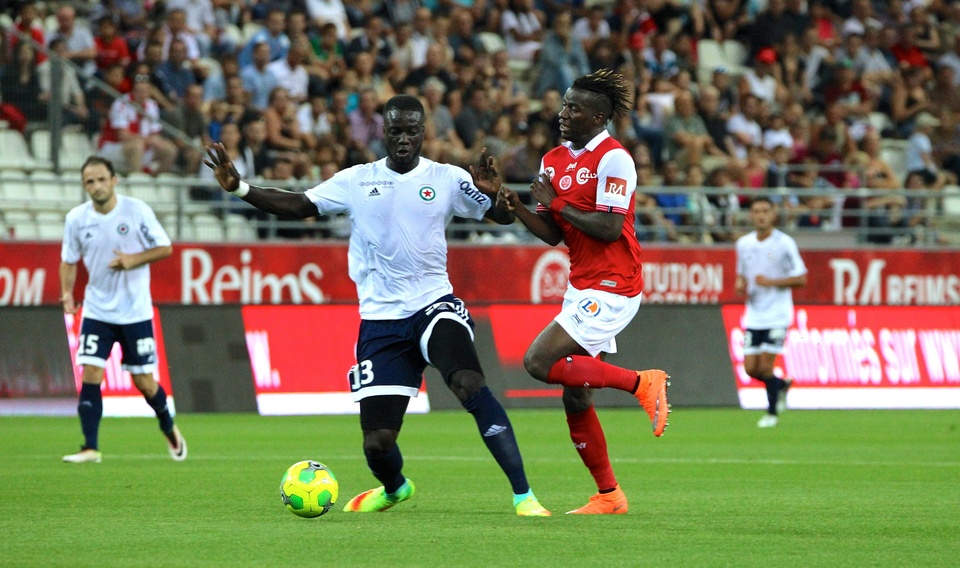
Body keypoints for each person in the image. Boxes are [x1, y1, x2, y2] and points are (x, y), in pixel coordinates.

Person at [204, 95, 550, 517]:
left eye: (411, 130)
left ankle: (524, 497)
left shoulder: (446, 177)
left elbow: (500, 217)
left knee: (469, 386)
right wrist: (239, 187)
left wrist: (498, 196)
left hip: (433, 306)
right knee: (377, 443)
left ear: (424, 133)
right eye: (395, 130)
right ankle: (395, 488)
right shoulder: (355, 180)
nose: (403, 139)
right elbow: (299, 204)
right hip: (381, 322)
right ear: (382, 133)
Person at [497, 69, 671, 515]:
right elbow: (554, 234)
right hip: (582, 284)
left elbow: (611, 227)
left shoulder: (615, 159)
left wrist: (556, 202)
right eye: (564, 105)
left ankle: (641, 382)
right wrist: (517, 206)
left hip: (616, 283)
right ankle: (610, 495)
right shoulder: (553, 159)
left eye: (574, 108)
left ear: (598, 117)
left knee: (539, 361)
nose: (563, 113)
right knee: (577, 395)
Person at [60, 156, 186, 463]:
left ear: (114, 179)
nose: (97, 186)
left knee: (143, 381)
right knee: (91, 371)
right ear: (84, 186)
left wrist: (133, 259)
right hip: (97, 310)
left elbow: (165, 247)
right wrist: (66, 293)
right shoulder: (76, 219)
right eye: (90, 181)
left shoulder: (136, 210)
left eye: (102, 179)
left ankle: (168, 426)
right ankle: (90, 447)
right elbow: (68, 259)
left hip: (135, 312)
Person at [734, 196, 808, 428]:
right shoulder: (744, 244)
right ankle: (780, 385)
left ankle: (772, 413)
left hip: (777, 313)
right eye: (756, 211)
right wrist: (740, 285)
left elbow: (801, 278)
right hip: (754, 313)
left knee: (765, 367)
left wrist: (771, 282)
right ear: (751, 215)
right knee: (750, 369)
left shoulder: (784, 243)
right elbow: (742, 275)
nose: (761, 215)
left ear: (773, 214)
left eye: (765, 210)